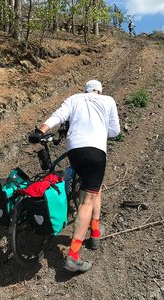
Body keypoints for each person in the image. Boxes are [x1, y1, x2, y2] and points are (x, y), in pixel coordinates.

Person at [28, 80, 120, 272]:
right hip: (96, 152)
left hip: (75, 151)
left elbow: (58, 116)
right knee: (88, 200)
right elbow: (115, 131)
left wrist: (41, 131)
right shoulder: (108, 101)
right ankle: (73, 256)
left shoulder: (74, 99)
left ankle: (95, 231)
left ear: (85, 90)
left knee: (94, 189)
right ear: (99, 91)